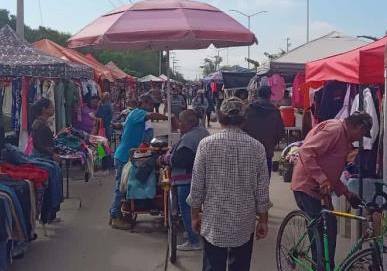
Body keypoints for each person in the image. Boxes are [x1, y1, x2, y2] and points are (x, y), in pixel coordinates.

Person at [188, 98, 270, 271]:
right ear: (244, 119)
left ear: (219, 117)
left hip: (214, 221)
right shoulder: (257, 148)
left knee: (212, 266)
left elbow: (197, 186)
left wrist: (195, 215)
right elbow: (262, 191)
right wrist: (263, 221)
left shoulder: (206, 145)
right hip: (243, 223)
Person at [290, 112, 371, 269]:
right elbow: (305, 151)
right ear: (358, 127)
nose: (360, 139)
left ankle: (327, 266)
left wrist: (347, 193)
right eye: (362, 134)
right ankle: (321, 266)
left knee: (330, 225)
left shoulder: (343, 136)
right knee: (321, 230)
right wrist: (322, 179)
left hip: (320, 190)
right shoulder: (335, 131)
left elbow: (331, 171)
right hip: (307, 187)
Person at [109, 93, 168, 229]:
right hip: (123, 156)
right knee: (120, 188)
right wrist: (167, 117)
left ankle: (117, 213)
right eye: (151, 104)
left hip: (128, 156)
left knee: (123, 187)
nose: (153, 107)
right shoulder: (137, 113)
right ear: (144, 103)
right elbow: (151, 116)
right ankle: (115, 217)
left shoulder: (137, 117)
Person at [164, 110, 210, 251]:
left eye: (181, 121)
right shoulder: (203, 132)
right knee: (196, 209)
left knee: (187, 210)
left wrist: (166, 158)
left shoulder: (189, 139)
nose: (178, 124)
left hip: (186, 180)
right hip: (201, 178)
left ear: (188, 123)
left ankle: (194, 240)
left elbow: (180, 160)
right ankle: (194, 232)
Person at [242, 85, 285, 174]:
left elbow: (242, 128)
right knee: (265, 181)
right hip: (267, 151)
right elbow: (280, 132)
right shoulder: (275, 112)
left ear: (258, 95)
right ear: (269, 96)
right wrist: (272, 143)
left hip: (249, 150)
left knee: (249, 180)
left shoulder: (248, 109)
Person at [96, 92, 115, 171]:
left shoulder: (105, 106)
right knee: (106, 146)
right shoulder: (110, 106)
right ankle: (106, 164)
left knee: (102, 146)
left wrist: (99, 106)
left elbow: (99, 114)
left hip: (103, 128)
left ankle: (105, 164)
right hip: (106, 128)